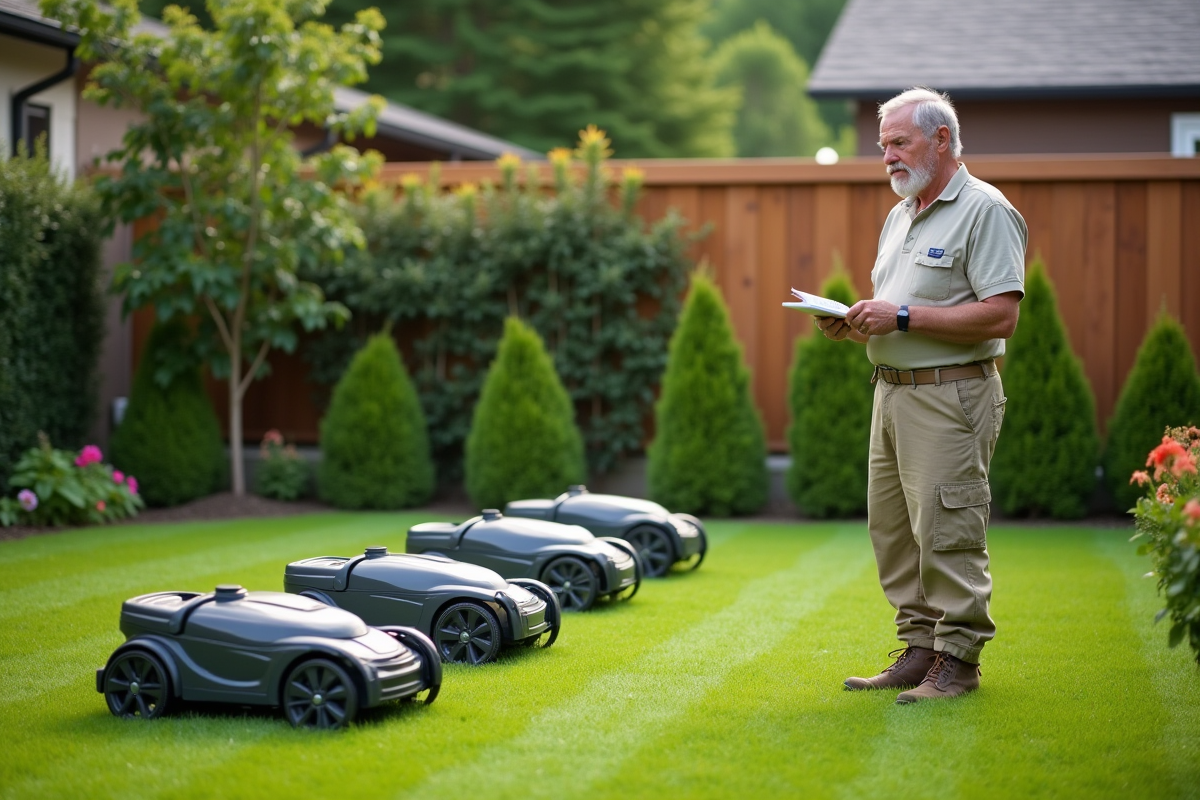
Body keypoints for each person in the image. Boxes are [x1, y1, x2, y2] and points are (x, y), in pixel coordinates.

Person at [816, 87, 1026, 704]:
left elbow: (1000, 316)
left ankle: (958, 662)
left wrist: (901, 317)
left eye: (899, 143)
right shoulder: (901, 212)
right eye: (883, 146)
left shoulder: (985, 209)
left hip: (951, 395)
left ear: (941, 139)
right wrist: (857, 323)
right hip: (891, 394)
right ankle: (921, 649)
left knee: (947, 528)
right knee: (895, 532)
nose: (887, 157)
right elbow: (900, 308)